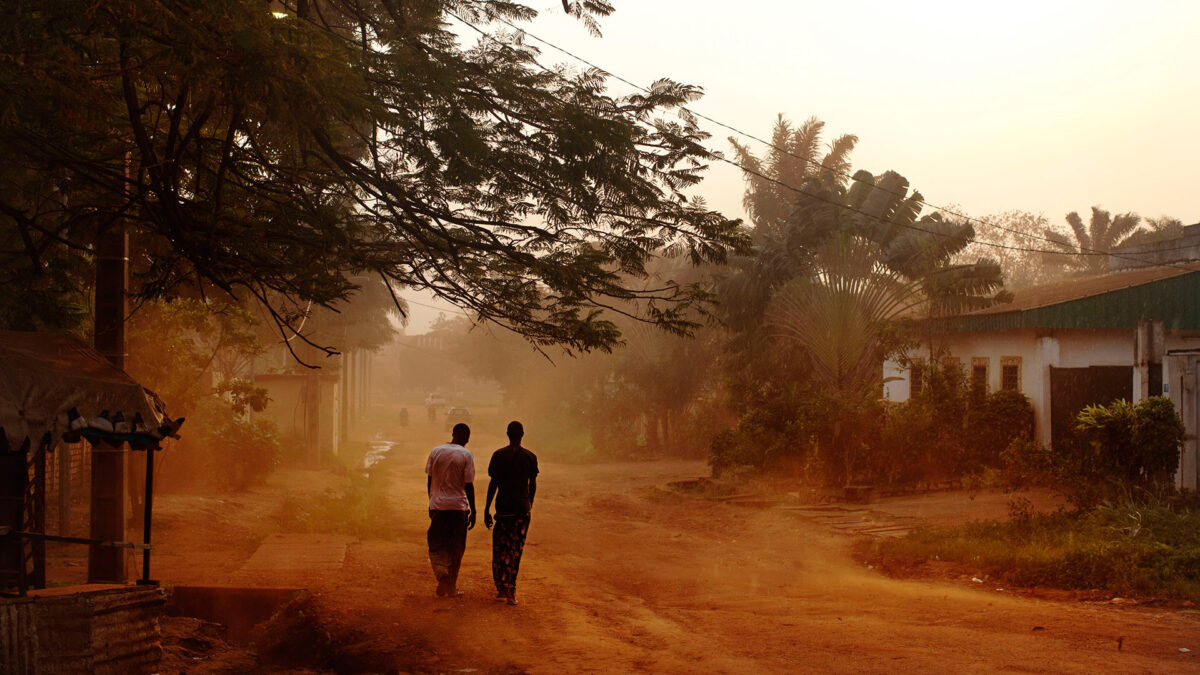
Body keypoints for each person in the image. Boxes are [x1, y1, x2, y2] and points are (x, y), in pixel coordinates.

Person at [483, 421, 538, 606]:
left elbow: (494, 483)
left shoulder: (498, 455)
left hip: (503, 509)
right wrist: (529, 502)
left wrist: (486, 509)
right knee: (515, 550)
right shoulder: (530, 457)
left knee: (500, 548)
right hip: (522, 510)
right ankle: (511, 590)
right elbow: (533, 484)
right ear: (522, 434)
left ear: (507, 434)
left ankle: (501, 588)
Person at [425, 423, 476, 597]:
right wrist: (474, 510)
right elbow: (469, 485)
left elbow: (429, 480)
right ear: (467, 437)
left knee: (436, 544)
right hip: (458, 508)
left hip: (438, 506)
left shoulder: (436, 451)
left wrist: (431, 502)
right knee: (457, 547)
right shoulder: (467, 455)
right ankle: (452, 585)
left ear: (453, 434)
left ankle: (442, 575)